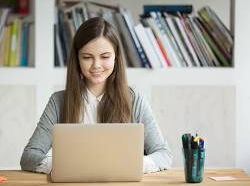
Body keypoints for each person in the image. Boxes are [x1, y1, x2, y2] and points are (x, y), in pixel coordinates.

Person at [20, 17, 172, 174]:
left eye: (105, 56)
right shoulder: (58, 101)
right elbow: (29, 157)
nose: (96, 65)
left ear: (116, 57)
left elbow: (163, 155)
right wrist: (63, 166)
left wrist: (132, 165)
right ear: (77, 59)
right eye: (87, 57)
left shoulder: (134, 100)